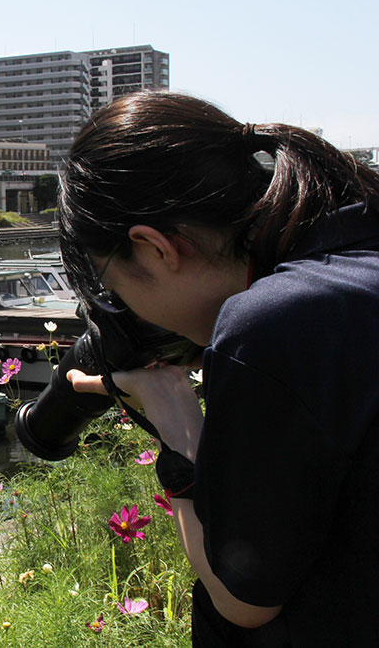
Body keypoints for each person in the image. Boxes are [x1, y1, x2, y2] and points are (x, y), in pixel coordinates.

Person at [58, 90, 379, 647]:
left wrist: (176, 422)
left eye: (115, 289)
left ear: (155, 248)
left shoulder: (275, 324)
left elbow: (244, 599)